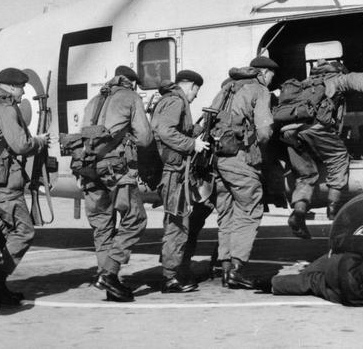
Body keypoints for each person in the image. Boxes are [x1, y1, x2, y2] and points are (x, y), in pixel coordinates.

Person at [280, 58, 363, 239]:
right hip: (313, 128)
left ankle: (298, 213)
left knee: (306, 174)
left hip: (288, 132)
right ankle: (333, 210)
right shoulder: (338, 79)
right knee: (338, 156)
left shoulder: (304, 84)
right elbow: (360, 80)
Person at [0, 67, 49, 306]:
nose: (23, 92)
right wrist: (39, 141)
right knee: (24, 232)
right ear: (9, 86)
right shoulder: (6, 110)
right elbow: (21, 145)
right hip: (4, 186)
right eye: (20, 88)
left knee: (4, 236)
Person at [82, 65, 153, 302]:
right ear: (131, 83)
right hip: (115, 170)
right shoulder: (131, 97)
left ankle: (105, 278)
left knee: (102, 225)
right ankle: (111, 274)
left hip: (88, 169)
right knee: (135, 219)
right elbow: (144, 138)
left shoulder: (94, 100)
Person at [209, 56, 276, 290]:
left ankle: (226, 267)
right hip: (240, 158)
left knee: (226, 213)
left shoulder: (228, 87)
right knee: (249, 208)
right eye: (271, 75)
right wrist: (257, 148)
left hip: (219, 159)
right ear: (264, 73)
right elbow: (265, 131)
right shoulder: (259, 89)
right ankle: (237, 269)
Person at [151, 69, 206, 293]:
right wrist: (193, 145)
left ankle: (171, 272)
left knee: (177, 221)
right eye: (196, 91)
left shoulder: (171, 100)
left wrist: (198, 129)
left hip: (175, 171)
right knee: (177, 223)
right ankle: (169, 278)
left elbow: (177, 129)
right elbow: (164, 131)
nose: (195, 96)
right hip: (174, 172)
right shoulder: (176, 101)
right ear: (191, 86)